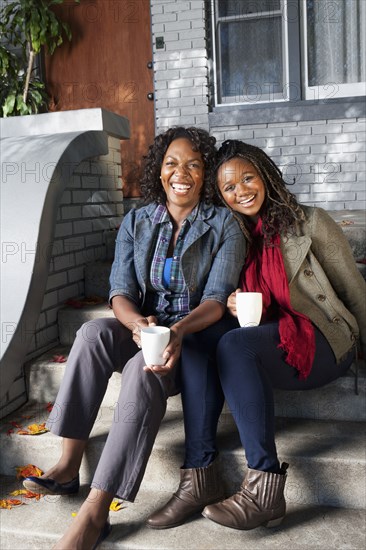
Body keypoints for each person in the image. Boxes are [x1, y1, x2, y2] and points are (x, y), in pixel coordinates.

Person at [23, 128, 246, 549]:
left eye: (194, 165)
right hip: (145, 327)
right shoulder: (137, 221)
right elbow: (120, 292)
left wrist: (175, 332)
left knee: (141, 372)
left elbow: (217, 300)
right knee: (91, 332)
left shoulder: (224, 225)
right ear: (159, 171)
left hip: (191, 339)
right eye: (172, 164)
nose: (182, 173)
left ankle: (95, 512)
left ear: (206, 173)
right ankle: (69, 464)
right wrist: (137, 327)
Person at [147, 139, 366, 531]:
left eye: (248, 178)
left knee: (233, 343)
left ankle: (262, 487)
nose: (241, 190)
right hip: (270, 338)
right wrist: (230, 300)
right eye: (229, 187)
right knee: (204, 339)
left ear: (264, 175)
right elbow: (211, 296)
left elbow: (354, 292)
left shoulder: (310, 223)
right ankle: (202, 475)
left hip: (323, 341)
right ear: (221, 196)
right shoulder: (233, 236)